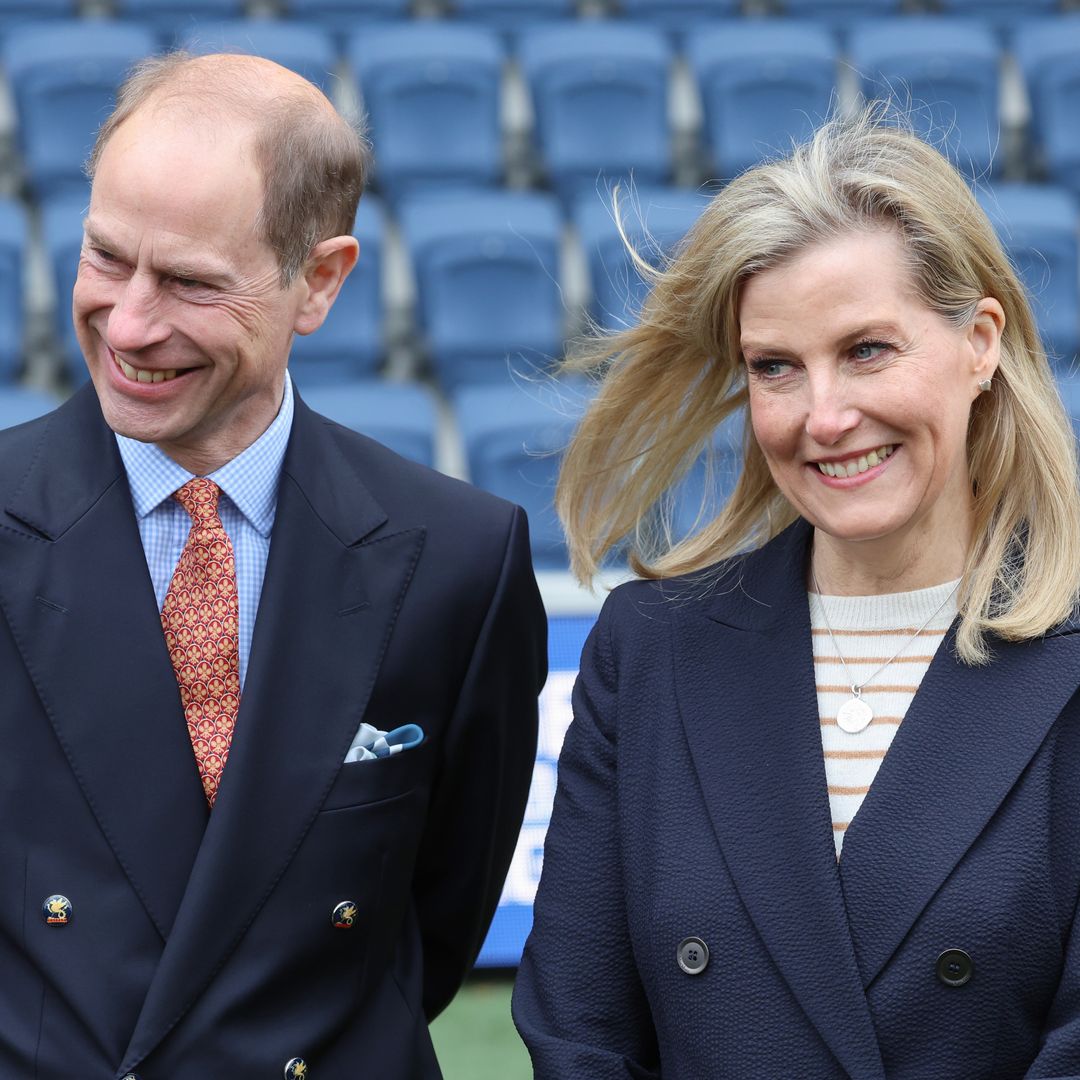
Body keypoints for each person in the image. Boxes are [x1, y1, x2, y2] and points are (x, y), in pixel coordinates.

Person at [0, 52, 546, 1078]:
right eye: (106, 258)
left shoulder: (461, 561)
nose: (128, 325)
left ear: (321, 281)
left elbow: (434, 919)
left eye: (190, 283)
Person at [512, 110, 1080, 1079]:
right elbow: (579, 1027)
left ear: (980, 343)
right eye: (775, 368)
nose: (824, 416)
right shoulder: (651, 650)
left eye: (866, 350)